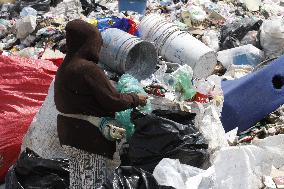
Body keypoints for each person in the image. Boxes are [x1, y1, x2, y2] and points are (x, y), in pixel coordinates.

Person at [54, 19, 147, 188]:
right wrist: (136, 98)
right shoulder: (87, 69)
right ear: (88, 43)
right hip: (87, 138)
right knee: (93, 183)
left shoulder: (66, 66)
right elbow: (112, 100)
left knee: (79, 182)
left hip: (69, 133)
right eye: (96, 43)